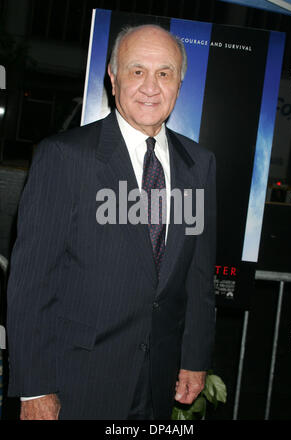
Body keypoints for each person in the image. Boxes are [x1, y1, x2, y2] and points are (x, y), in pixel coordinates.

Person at [6, 24, 216, 420]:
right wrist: (34, 388)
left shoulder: (199, 164)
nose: (151, 86)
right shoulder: (64, 158)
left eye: (164, 73)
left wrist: (194, 357)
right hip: (77, 383)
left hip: (160, 380)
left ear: (179, 82)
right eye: (137, 70)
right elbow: (31, 283)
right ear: (113, 77)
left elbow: (199, 276)